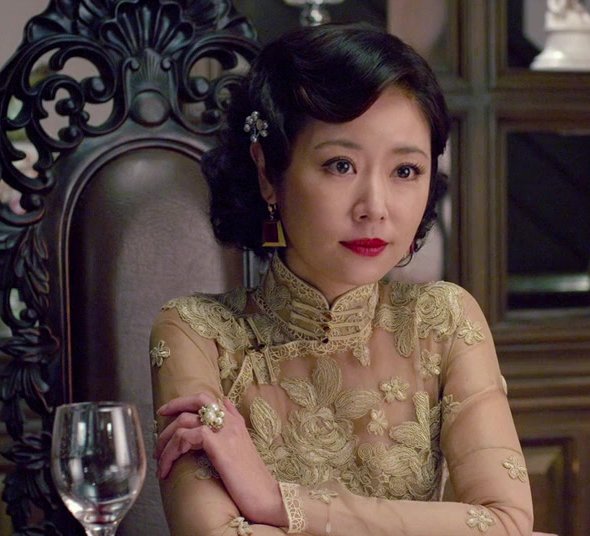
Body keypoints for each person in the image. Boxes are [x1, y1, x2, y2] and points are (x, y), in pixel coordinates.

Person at [148, 24, 536, 536]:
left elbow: (506, 522)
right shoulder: (197, 332)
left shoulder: (442, 320)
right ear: (267, 172)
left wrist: (277, 502)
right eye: (341, 165)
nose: (375, 207)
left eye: (405, 171)